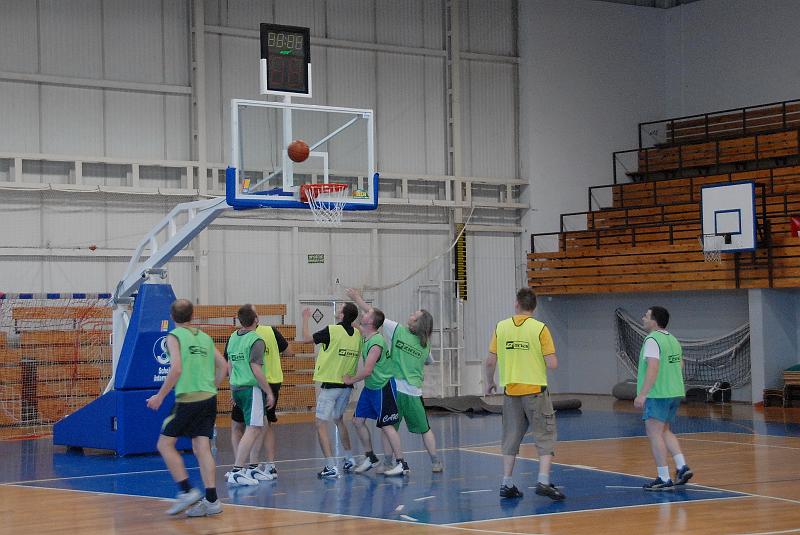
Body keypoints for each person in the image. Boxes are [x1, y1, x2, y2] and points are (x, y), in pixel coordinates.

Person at [346, 288, 443, 475]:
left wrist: (357, 298)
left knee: (391, 427)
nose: (411, 315)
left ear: (417, 323)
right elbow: (430, 361)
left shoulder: (399, 331)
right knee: (418, 428)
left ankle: (391, 462)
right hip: (408, 391)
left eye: (414, 315)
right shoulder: (423, 343)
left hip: (399, 390)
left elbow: (373, 313)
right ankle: (432, 462)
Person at [146, 298, 227, 517]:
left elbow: (177, 369)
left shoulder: (174, 336)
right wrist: (211, 386)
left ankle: (186, 491)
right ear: (192, 315)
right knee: (202, 447)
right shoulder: (205, 337)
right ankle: (212, 501)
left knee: (164, 444)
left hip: (189, 399)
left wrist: (160, 396)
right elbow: (223, 366)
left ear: (172, 317)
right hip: (208, 398)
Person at [484, 288, 565, 501]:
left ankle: (506, 483)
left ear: (516, 304)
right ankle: (543, 481)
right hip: (535, 392)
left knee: (510, 437)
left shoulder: (501, 327)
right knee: (545, 435)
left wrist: (490, 382)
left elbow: (490, 361)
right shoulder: (540, 329)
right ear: (534, 307)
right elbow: (552, 364)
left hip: (511, 392)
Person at [227, 304, 292, 481]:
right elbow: (256, 369)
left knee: (259, 423)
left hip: (237, 387)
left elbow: (230, 365)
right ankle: (238, 470)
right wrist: (268, 392)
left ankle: (252, 468)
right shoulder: (256, 340)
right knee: (254, 428)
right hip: (251, 388)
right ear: (256, 319)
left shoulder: (233, 337)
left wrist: (231, 388)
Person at [634, 306, 693, 490]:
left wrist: (643, 394)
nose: (643, 318)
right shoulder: (672, 339)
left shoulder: (652, 339)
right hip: (674, 392)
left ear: (654, 321)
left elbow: (653, 367)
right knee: (665, 430)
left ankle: (664, 477)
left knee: (654, 433)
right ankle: (682, 466)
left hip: (658, 394)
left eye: (646, 316)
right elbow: (680, 364)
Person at [342, 307, 406, 475]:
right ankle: (371, 457)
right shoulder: (367, 335)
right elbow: (357, 326)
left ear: (370, 322)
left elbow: (367, 370)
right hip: (371, 387)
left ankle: (401, 463)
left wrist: (350, 379)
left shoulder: (376, 343)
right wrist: (345, 316)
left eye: (367, 314)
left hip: (383, 387)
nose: (363, 314)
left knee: (387, 425)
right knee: (357, 421)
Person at [301, 301, 362, 478]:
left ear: (342, 315)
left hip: (331, 385)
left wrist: (305, 318)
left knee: (320, 423)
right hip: (347, 387)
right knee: (338, 419)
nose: (339, 307)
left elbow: (306, 339)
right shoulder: (357, 334)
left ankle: (330, 466)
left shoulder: (332, 330)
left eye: (341, 307)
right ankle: (349, 458)